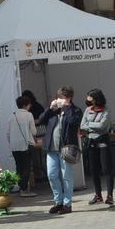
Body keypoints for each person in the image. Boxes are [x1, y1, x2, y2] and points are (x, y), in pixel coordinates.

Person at [37, 86, 83, 214]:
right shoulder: (54, 111)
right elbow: (40, 120)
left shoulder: (75, 110)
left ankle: (67, 205)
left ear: (69, 98)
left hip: (66, 149)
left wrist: (67, 107)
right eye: (58, 98)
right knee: (51, 175)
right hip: (52, 148)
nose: (59, 100)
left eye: (62, 98)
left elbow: (73, 121)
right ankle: (58, 202)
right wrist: (50, 108)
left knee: (66, 177)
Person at [81, 89, 113, 206]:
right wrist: (92, 126)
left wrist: (89, 125)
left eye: (89, 96)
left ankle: (109, 195)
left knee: (106, 168)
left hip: (103, 140)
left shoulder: (106, 110)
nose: (87, 98)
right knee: (94, 169)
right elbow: (82, 125)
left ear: (95, 98)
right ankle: (98, 195)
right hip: (91, 141)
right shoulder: (87, 110)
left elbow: (103, 126)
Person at [7, 96, 37, 197]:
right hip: (26, 145)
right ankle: (24, 189)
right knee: (26, 167)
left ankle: (21, 188)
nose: (30, 106)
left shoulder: (12, 116)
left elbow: (8, 133)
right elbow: (34, 131)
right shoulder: (29, 115)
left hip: (14, 146)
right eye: (29, 104)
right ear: (25, 105)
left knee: (18, 167)